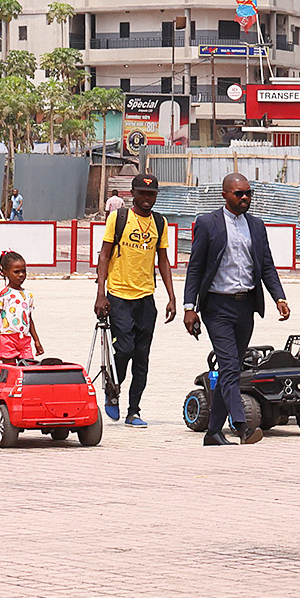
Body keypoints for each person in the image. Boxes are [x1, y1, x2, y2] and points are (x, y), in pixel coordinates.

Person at [183, 173, 291, 446]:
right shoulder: (208, 224)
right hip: (217, 307)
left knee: (231, 369)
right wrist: (189, 307)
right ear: (225, 195)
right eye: (238, 193)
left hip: (246, 307)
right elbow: (195, 268)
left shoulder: (256, 225)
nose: (245, 198)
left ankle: (213, 432)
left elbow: (266, 265)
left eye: (248, 193)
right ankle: (242, 426)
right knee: (230, 366)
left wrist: (279, 297)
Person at [95, 172, 178, 428]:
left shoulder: (160, 223)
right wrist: (101, 294)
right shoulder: (118, 219)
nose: (147, 199)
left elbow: (162, 260)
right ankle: (113, 390)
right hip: (119, 296)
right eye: (142, 193)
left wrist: (172, 297)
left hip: (146, 299)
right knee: (125, 349)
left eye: (151, 194)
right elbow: (104, 255)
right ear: (133, 193)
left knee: (142, 357)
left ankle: (134, 411)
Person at [0, 251, 43, 362]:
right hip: (7, 339)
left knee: (27, 369)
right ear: (5, 273)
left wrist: (36, 340)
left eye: (23, 271)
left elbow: (29, 319)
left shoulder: (28, 295)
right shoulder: (2, 294)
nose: (21, 275)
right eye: (16, 272)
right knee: (11, 370)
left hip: (24, 339)